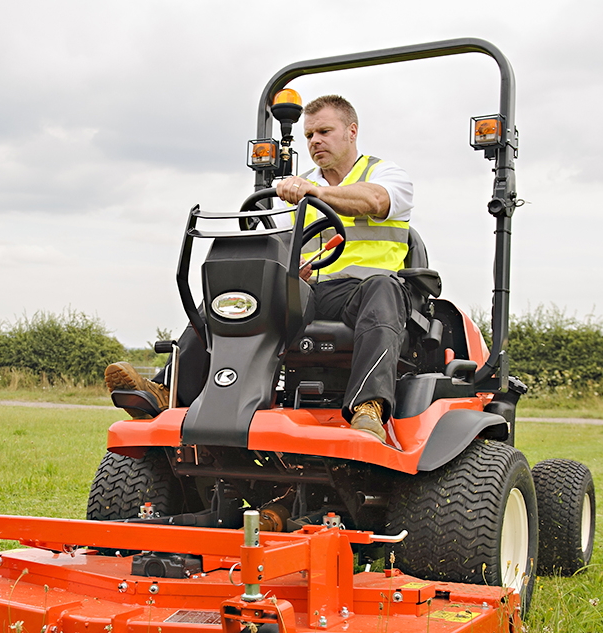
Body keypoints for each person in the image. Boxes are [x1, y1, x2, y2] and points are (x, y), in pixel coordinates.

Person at [107, 95, 413, 443]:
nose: (315, 141)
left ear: (352, 131)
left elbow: (375, 200)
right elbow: (277, 243)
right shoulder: (296, 188)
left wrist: (315, 192)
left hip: (364, 292)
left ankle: (367, 407)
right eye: (309, 135)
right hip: (310, 290)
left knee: (382, 288)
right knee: (237, 296)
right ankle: (168, 391)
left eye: (325, 131)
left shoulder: (385, 174)